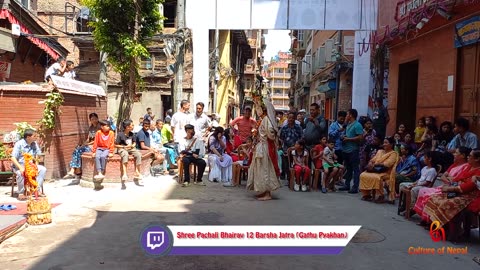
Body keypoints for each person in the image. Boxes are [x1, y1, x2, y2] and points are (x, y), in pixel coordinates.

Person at [413, 146, 471, 224]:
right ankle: (425, 218)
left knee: (428, 195)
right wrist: (450, 179)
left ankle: (431, 221)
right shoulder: (454, 165)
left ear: (463, 155)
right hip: (446, 186)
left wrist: (451, 180)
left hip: (451, 188)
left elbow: (456, 179)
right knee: (423, 191)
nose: (454, 154)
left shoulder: (466, 166)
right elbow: (443, 176)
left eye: (456, 153)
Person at [423, 149, 480, 228]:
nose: (468, 157)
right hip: (458, 190)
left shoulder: (478, 171)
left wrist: (450, 188)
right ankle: (434, 223)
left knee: (446, 204)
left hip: (469, 196)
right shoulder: (469, 167)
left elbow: (468, 187)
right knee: (434, 198)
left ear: (477, 159)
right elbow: (458, 178)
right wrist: (451, 185)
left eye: (470, 156)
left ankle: (446, 228)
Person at [247, 96, 281, 201]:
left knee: (266, 169)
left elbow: (271, 133)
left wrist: (263, 136)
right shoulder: (262, 119)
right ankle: (263, 191)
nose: (256, 109)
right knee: (261, 170)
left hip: (264, 148)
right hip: (260, 147)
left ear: (264, 109)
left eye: (258, 107)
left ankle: (268, 193)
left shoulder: (266, 120)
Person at [359, 136, 399, 203]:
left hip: (386, 172)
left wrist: (375, 164)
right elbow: (373, 159)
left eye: (386, 143)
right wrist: (370, 163)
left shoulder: (393, 154)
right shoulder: (380, 151)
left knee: (377, 178)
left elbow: (387, 164)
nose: (384, 144)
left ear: (391, 144)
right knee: (363, 175)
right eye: (384, 142)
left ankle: (381, 196)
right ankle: (367, 194)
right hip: (375, 170)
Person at [11, 129, 47, 200]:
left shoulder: (34, 143)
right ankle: (21, 193)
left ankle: (36, 190)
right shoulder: (19, 144)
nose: (36, 137)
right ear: (28, 137)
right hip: (20, 166)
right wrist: (20, 167)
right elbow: (12, 158)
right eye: (34, 136)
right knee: (21, 172)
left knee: (42, 169)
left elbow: (37, 154)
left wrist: (36, 164)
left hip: (31, 166)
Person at [63, 112, 100, 180]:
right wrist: (83, 144)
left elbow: (98, 140)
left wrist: (87, 144)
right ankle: (75, 171)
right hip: (90, 145)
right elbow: (88, 139)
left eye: (95, 119)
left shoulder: (100, 127)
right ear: (90, 120)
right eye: (92, 119)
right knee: (76, 150)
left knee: (79, 151)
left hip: (96, 146)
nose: (94, 120)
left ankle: (76, 171)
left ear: (97, 119)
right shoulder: (91, 127)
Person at [339, 109, 364, 194]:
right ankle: (347, 184)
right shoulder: (348, 124)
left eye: (347, 115)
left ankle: (355, 186)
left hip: (353, 150)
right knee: (348, 168)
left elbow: (360, 137)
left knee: (355, 169)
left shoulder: (357, 125)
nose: (346, 116)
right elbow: (344, 132)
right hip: (346, 149)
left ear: (351, 115)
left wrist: (348, 139)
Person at [115, 119, 142, 189]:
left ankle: (137, 172)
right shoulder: (120, 134)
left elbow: (134, 142)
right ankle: (124, 173)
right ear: (127, 127)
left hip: (130, 148)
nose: (133, 126)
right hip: (122, 149)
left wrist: (133, 145)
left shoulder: (132, 134)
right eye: (132, 125)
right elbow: (116, 145)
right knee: (125, 154)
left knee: (138, 154)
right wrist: (124, 146)